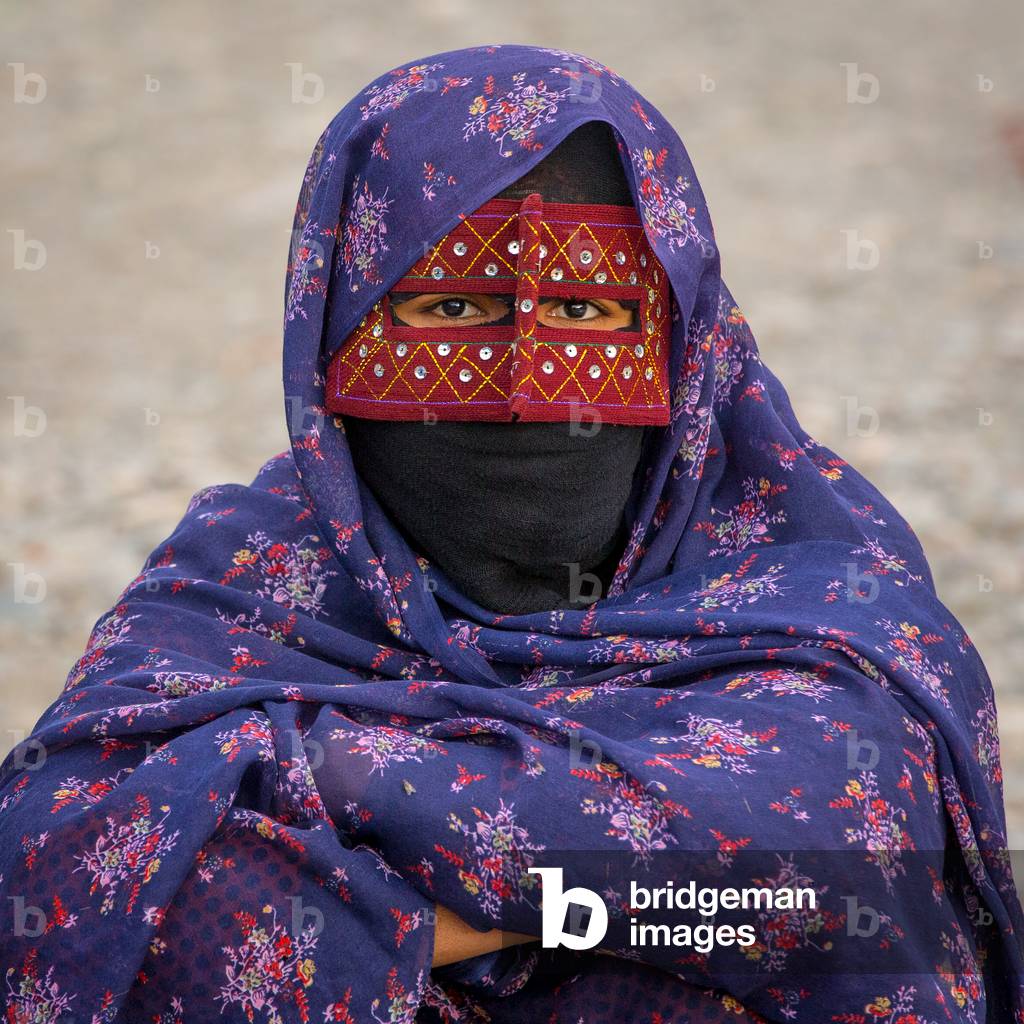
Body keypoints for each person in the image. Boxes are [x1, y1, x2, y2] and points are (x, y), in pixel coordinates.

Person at [1, 44, 1021, 1023]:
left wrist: (348, 818)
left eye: (584, 308)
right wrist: (539, 912)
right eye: (450, 306)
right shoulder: (246, 571)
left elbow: (830, 875)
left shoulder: (812, 591)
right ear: (337, 327)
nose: (525, 387)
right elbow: (48, 853)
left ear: (678, 336)